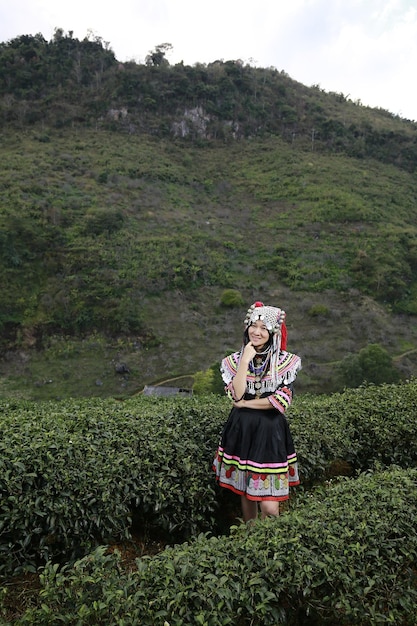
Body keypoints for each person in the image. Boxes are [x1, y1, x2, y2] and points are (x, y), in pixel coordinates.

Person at [213, 301, 302, 522]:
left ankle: (270, 544)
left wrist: (245, 405)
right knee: (246, 491)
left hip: (270, 433)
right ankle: (250, 538)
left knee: (270, 507)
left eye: (264, 328)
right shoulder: (233, 361)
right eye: (254, 325)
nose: (257, 331)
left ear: (273, 332)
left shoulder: (285, 362)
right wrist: (245, 360)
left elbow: (280, 401)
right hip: (242, 429)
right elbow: (237, 394)